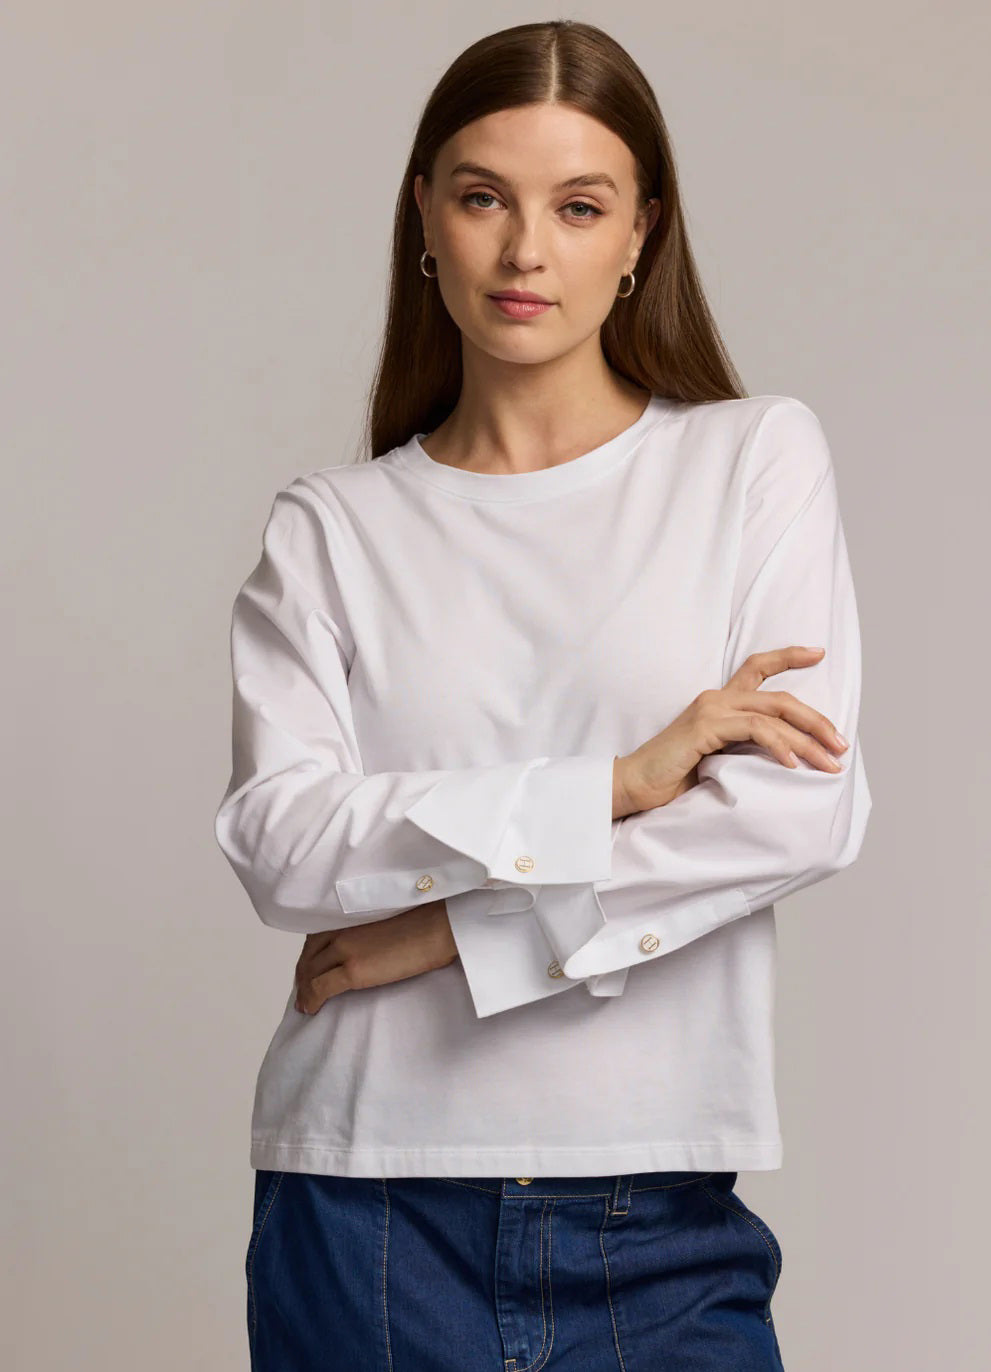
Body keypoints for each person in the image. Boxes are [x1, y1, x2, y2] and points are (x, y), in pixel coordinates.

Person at [214, 19, 871, 1371]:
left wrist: (452, 935)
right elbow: (281, 842)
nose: (526, 252)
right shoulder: (332, 526)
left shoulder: (751, 460)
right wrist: (615, 787)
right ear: (424, 217)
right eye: (483, 198)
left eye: (578, 206)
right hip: (366, 1200)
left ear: (641, 233)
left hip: (656, 1201)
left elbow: (795, 815)